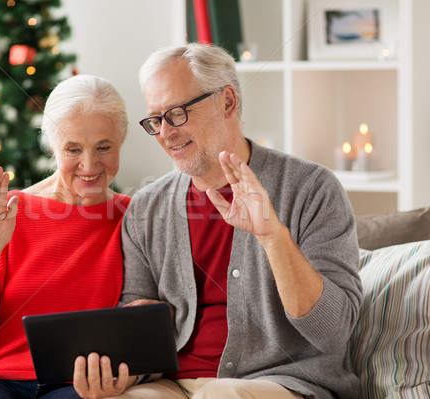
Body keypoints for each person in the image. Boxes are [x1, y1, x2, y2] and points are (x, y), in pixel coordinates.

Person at [72, 44, 363, 399]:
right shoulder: (147, 207)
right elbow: (138, 330)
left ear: (227, 102)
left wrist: (273, 237)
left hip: (282, 382)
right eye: (156, 120)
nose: (165, 132)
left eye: (177, 113)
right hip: (171, 384)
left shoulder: (311, 189)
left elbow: (335, 331)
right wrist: (123, 372)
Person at [0, 74, 131, 399]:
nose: (89, 163)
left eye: (104, 147)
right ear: (52, 145)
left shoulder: (134, 219)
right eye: (73, 149)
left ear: (121, 140)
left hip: (75, 384)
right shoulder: (6, 211)